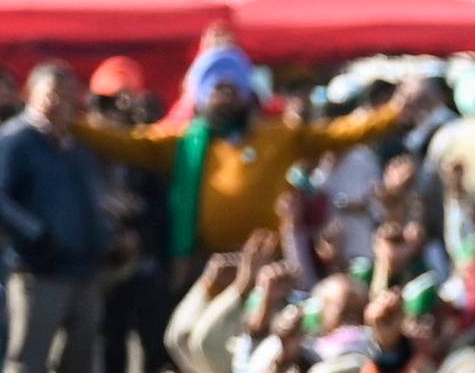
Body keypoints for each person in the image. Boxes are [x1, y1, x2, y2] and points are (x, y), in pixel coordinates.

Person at [67, 43, 414, 261]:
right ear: (203, 97)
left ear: (246, 94)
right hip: (206, 261)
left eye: (232, 88)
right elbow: (128, 143)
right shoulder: (184, 141)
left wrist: (393, 114)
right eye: (217, 89)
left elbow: (339, 133)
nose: (225, 96)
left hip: (270, 259)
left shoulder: (279, 135)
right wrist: (72, 123)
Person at [0, 63, 110, 373]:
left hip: (83, 269)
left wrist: (106, 234)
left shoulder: (75, 146)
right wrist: (36, 234)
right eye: (49, 93)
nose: (58, 102)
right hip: (38, 269)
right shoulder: (15, 141)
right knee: (29, 359)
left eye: (65, 93)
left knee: (78, 361)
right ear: (30, 94)